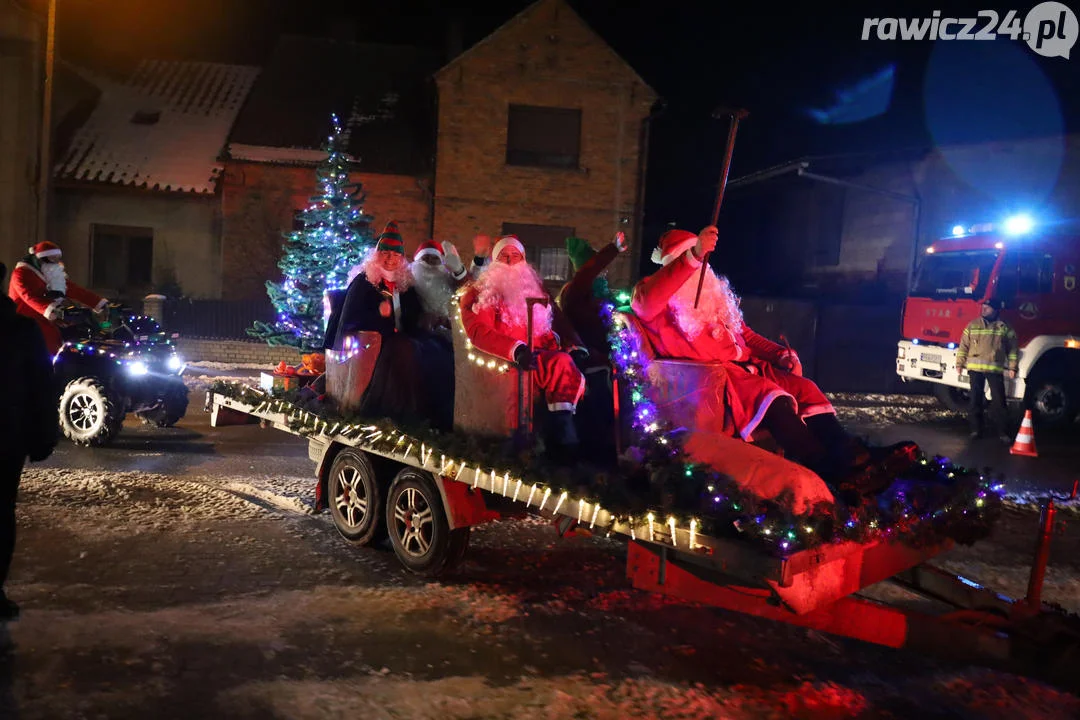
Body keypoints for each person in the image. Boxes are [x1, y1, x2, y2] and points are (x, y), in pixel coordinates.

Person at [631, 225, 867, 483]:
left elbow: (746, 335)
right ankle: (827, 470)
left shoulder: (714, 297)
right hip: (711, 383)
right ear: (673, 264)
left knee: (804, 388)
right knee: (774, 401)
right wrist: (694, 256)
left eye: (702, 258)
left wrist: (778, 354)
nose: (699, 267)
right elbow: (646, 303)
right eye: (689, 257)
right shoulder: (653, 295)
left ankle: (849, 455)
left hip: (746, 370)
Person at [458, 235, 588, 461]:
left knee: (565, 364)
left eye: (515, 256)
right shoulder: (479, 294)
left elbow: (553, 326)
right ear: (495, 261)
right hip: (504, 363)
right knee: (556, 364)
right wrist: (515, 350)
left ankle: (565, 434)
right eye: (504, 256)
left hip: (538, 360)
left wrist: (573, 347)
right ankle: (552, 441)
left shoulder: (535, 291)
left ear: (524, 260)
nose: (510, 261)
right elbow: (478, 331)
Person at [323, 220, 453, 430]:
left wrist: (426, 320)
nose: (391, 259)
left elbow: (412, 316)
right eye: (386, 254)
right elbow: (350, 319)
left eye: (396, 255)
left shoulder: (404, 284)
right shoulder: (364, 282)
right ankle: (402, 414)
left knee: (438, 348)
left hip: (405, 337)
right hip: (376, 342)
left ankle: (438, 414)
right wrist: (379, 315)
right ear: (377, 255)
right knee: (403, 350)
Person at [0, 261, 59, 621]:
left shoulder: (22, 331)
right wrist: (41, 436)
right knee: (1, 515)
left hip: (7, 438)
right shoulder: (20, 330)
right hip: (6, 439)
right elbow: (42, 388)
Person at [8, 241, 108, 355]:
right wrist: (55, 310)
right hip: (25, 324)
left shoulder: (51, 274)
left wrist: (99, 303)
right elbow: (30, 296)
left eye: (58, 258)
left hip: (46, 321)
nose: (56, 262)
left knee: (55, 349)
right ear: (41, 259)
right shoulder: (21, 273)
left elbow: (74, 289)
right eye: (52, 258)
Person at [956, 297, 1018, 442]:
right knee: (975, 401)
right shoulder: (972, 325)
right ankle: (976, 431)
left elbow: (1012, 349)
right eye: (983, 306)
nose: (983, 309)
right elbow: (963, 346)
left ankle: (1003, 433)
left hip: (994, 369)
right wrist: (959, 364)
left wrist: (1013, 367)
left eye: (987, 307)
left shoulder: (1004, 327)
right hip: (975, 369)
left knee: (999, 401)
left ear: (995, 310)